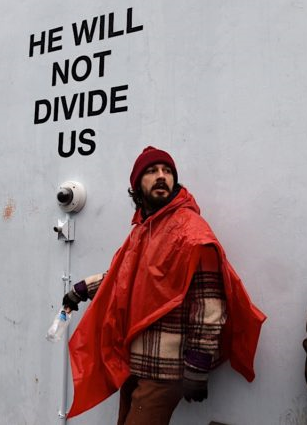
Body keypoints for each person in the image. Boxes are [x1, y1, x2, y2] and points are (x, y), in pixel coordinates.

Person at [62, 147, 266, 424]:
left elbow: (209, 305)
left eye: (167, 171)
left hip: (165, 371)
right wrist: (82, 289)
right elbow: (125, 277)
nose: (161, 176)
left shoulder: (190, 230)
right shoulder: (145, 229)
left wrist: (197, 366)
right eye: (152, 171)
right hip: (135, 363)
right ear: (136, 185)